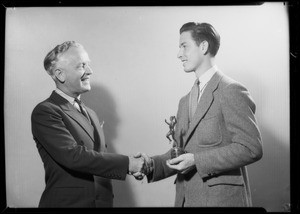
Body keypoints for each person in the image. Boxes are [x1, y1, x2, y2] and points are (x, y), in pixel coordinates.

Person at [134, 22, 263, 207]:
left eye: (184, 46)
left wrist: (197, 161)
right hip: (186, 201)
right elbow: (180, 154)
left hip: (221, 202)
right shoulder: (184, 101)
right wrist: (150, 165)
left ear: (203, 46)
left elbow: (250, 148)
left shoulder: (231, 90)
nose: (179, 54)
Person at [31, 41, 147, 208]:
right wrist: (128, 164)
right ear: (60, 74)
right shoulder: (46, 111)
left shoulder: (90, 112)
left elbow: (98, 159)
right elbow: (73, 156)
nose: (90, 71)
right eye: (82, 66)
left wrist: (134, 167)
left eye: (89, 65)